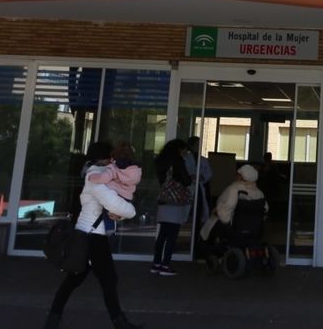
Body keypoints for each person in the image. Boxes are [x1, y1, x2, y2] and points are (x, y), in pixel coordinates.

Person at [43, 141, 143, 329]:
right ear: (103, 158)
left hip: (88, 234)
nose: (113, 161)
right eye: (110, 157)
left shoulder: (101, 176)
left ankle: (52, 320)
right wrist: (131, 212)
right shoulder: (95, 177)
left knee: (75, 279)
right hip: (93, 237)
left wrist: (119, 214)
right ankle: (120, 323)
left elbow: (113, 208)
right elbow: (113, 204)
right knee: (109, 280)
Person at [151, 138, 191, 277]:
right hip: (175, 202)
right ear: (179, 149)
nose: (186, 152)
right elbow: (185, 180)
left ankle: (156, 263)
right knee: (172, 236)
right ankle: (165, 265)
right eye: (185, 149)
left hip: (164, 200)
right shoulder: (178, 161)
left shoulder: (161, 160)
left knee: (162, 235)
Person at [200, 163, 265, 243]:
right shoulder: (259, 193)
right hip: (254, 228)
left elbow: (226, 211)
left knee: (210, 225)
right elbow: (265, 210)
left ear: (241, 177)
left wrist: (217, 211)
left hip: (235, 226)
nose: (236, 176)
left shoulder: (235, 189)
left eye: (238, 174)